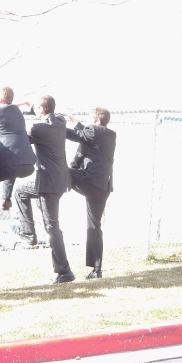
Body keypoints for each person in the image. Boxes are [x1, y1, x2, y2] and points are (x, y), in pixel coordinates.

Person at [14, 95, 74, 284]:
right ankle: (29, 233)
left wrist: (12, 114)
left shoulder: (38, 128)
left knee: (52, 227)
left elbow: (23, 138)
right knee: (22, 192)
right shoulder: (60, 121)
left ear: (42, 109)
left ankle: (64, 271)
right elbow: (45, 112)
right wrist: (28, 105)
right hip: (59, 180)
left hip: (47, 183)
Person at [63, 108, 116, 279]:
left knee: (61, 171)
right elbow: (80, 152)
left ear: (98, 121)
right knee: (94, 226)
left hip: (89, 181)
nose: (89, 124)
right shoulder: (108, 136)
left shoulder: (95, 131)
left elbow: (75, 134)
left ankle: (48, 193)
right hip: (103, 188)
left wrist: (66, 121)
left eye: (91, 120)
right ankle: (96, 269)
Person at [0, 86, 36, 210]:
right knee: (10, 165)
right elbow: (9, 107)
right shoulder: (17, 111)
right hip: (27, 165)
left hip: (7, 165)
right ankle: (6, 198)